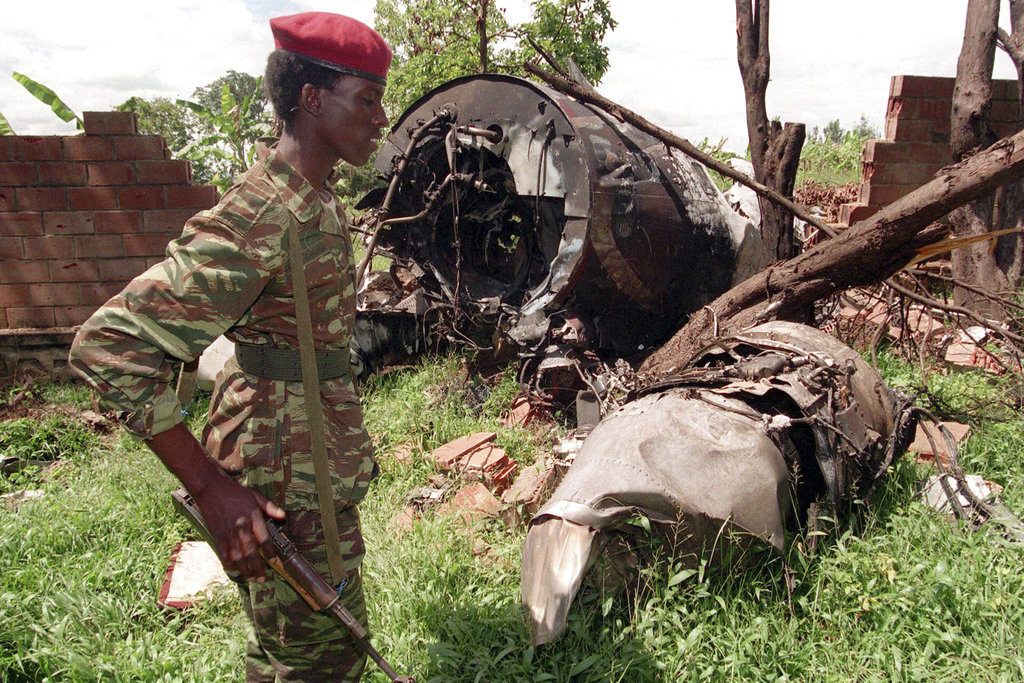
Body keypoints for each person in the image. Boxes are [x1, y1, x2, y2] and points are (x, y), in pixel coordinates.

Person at [69, 12, 391, 681]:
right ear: (312, 99)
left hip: (314, 468)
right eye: (367, 100)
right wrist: (212, 486)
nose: (381, 117)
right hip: (282, 484)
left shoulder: (316, 198)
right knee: (313, 663)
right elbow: (108, 344)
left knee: (307, 657)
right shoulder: (261, 215)